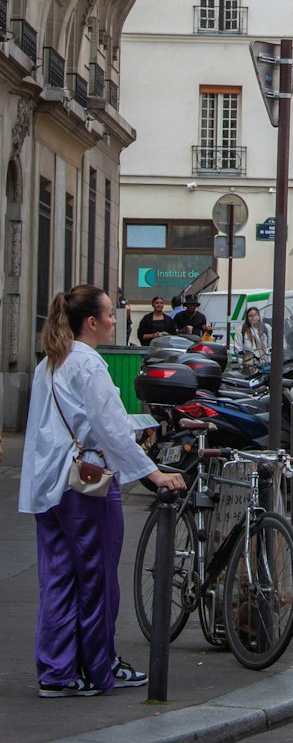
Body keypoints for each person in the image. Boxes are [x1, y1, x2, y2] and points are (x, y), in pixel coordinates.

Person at [18, 285, 186, 697]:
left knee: (57, 579)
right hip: (86, 484)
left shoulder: (50, 363)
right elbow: (107, 429)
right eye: (110, 314)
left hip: (49, 484)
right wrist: (154, 475)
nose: (115, 319)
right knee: (96, 581)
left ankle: (57, 673)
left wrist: (138, 426)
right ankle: (98, 667)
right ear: (91, 322)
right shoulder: (89, 364)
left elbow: (65, 425)